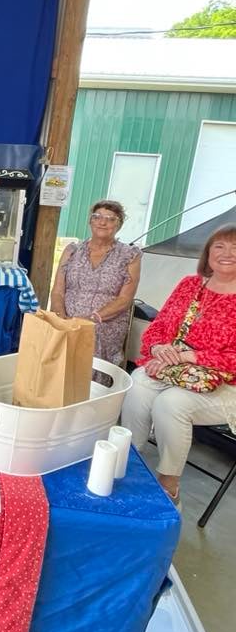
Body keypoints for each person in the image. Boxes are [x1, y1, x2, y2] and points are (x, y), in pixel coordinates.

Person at [121, 224, 236, 505]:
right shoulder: (190, 285)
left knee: (171, 403)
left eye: (235, 247)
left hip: (226, 383)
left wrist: (190, 356)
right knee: (137, 383)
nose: (226, 253)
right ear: (208, 252)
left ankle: (169, 484)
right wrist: (160, 348)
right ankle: (128, 463)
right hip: (179, 370)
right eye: (219, 246)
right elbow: (158, 328)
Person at [50, 200, 141, 365]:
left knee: (93, 343)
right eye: (97, 216)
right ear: (90, 221)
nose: (103, 222)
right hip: (67, 320)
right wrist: (61, 318)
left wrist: (90, 319)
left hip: (105, 324)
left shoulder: (129, 255)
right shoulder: (72, 250)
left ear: (119, 224)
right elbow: (57, 290)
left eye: (111, 218)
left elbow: (125, 299)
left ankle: (93, 389)